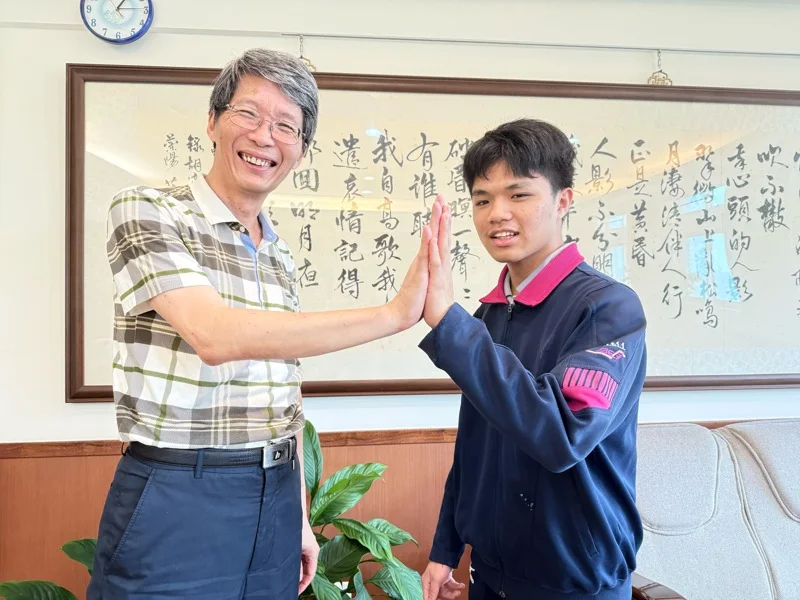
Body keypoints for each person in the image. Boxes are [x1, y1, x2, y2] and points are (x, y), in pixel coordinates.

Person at [87, 48, 439, 600]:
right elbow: (214, 335)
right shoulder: (148, 210)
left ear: (300, 150)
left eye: (286, 126)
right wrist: (392, 315)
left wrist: (297, 515)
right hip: (179, 492)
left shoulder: (277, 254)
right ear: (213, 120)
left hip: (275, 494)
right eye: (248, 113)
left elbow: (284, 392)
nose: (264, 136)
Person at [418, 119, 647, 600]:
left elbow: (562, 433)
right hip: (488, 575)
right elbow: (474, 447)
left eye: (518, 194)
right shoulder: (488, 314)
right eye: (482, 200)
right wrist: (445, 547)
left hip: (575, 583)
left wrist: (449, 324)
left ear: (563, 200)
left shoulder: (608, 308)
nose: (497, 213)